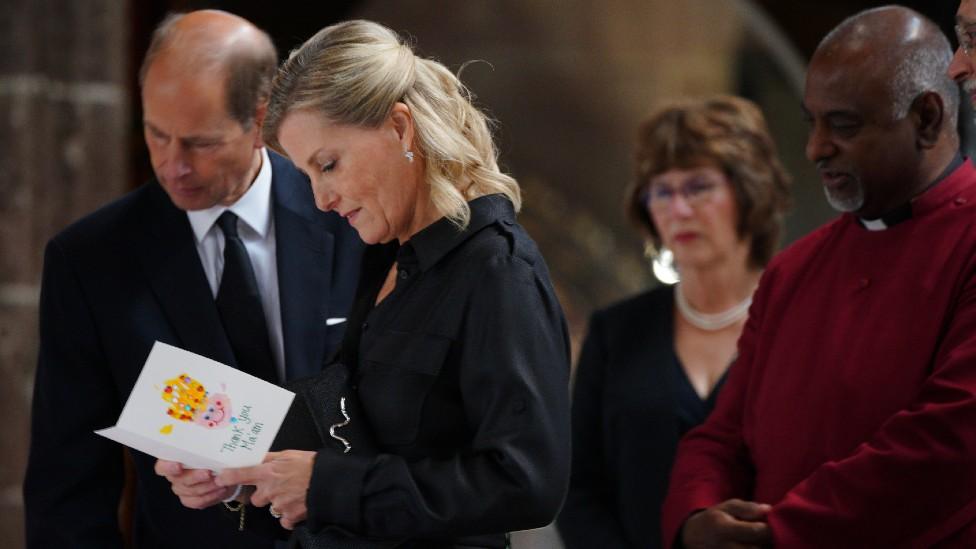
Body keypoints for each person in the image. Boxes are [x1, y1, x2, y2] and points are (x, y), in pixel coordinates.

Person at [161, 19, 572, 548]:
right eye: (307, 175)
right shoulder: (385, 257)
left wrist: (326, 487)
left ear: (400, 128)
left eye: (328, 165)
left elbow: (527, 483)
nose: (320, 199)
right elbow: (355, 429)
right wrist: (238, 468)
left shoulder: (499, 272)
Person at [23, 10, 363, 549]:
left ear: (261, 119)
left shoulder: (353, 218)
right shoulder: (90, 259)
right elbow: (66, 489)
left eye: (200, 143)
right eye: (157, 134)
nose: (172, 166)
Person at [662, 6, 976, 548]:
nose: (815, 149)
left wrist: (775, 535)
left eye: (844, 126)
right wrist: (697, 517)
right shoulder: (794, 268)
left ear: (926, 119)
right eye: (813, 123)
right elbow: (722, 434)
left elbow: (947, 444)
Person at [557, 96, 790, 549]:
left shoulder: (797, 320)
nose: (678, 209)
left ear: (748, 191)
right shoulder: (615, 331)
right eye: (662, 191)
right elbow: (578, 488)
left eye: (699, 187)